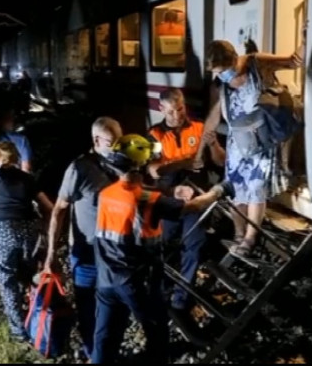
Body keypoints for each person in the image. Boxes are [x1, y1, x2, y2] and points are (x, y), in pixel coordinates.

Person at [91, 134, 234, 364]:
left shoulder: (106, 194)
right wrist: (220, 190)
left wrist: (171, 192)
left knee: (105, 335)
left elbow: (134, 192)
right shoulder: (147, 199)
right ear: (140, 166)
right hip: (137, 281)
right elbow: (194, 205)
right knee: (156, 331)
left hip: (106, 277)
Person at [198, 39, 303, 258]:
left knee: (256, 187)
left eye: (224, 70)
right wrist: (201, 151)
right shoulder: (219, 83)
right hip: (238, 141)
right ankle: (238, 234)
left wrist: (304, 39)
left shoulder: (257, 63)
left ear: (234, 59)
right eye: (216, 72)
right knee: (237, 190)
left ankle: (250, 238)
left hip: (263, 140)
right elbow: (214, 116)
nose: (221, 75)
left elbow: (294, 62)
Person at [42, 116, 123, 361]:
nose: (118, 146)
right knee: (89, 311)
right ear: (96, 140)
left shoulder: (125, 163)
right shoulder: (79, 169)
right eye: (112, 142)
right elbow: (59, 210)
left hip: (116, 252)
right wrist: (51, 255)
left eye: (120, 139)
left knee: (116, 309)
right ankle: (95, 354)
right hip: (87, 253)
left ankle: (108, 352)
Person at [146, 88, 225, 318]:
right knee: (166, 248)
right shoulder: (155, 134)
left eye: (179, 109)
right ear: (161, 109)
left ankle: (182, 299)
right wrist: (183, 163)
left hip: (197, 198)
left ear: (184, 105)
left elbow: (220, 162)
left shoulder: (200, 128)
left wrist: (213, 146)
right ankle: (162, 294)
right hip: (169, 199)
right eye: (171, 111)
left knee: (194, 246)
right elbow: (154, 171)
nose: (177, 115)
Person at [0, 141, 54, 343]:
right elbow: (48, 206)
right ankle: (35, 318)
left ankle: (18, 330)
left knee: (6, 280)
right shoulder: (28, 179)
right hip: (28, 231)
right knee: (29, 275)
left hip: (1, 231)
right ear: (17, 159)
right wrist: (48, 229)